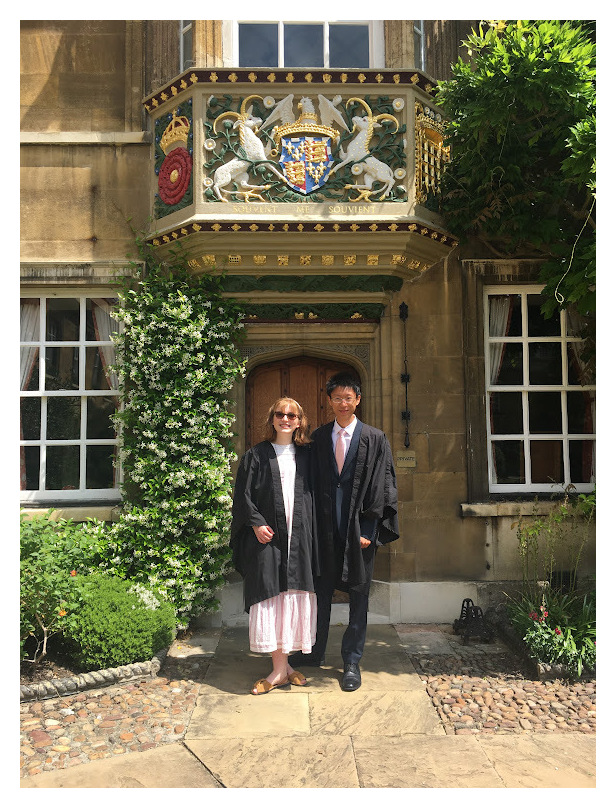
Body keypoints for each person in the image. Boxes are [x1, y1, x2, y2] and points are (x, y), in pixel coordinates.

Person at [289, 373, 399, 691]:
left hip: (358, 533)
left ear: (358, 400)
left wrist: (369, 527)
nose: (343, 403)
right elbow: (305, 485)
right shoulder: (320, 438)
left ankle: (351, 660)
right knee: (319, 594)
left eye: (348, 397)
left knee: (358, 597)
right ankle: (314, 650)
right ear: (330, 401)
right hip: (324, 531)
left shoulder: (375, 439)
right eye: (337, 397)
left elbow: (383, 485)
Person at [230, 397, 319, 695]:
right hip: (268, 537)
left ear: (299, 421)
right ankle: (280, 669)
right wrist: (255, 524)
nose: (285, 419)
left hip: (300, 536)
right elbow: (243, 497)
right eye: (280, 414)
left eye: (291, 415)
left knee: (293, 594)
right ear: (272, 419)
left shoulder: (308, 455)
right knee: (273, 593)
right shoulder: (256, 456)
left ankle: (284, 667)